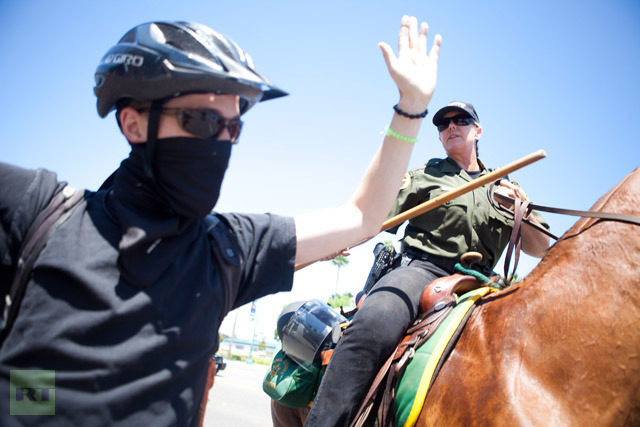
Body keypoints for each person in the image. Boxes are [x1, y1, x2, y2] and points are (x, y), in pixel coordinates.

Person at [0, 16, 441, 426]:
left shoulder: (226, 250)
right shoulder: (38, 212)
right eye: (203, 120)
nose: (222, 141)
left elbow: (362, 215)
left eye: (233, 128)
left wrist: (410, 107)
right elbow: (32, 393)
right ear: (133, 124)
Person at [304, 101, 550, 426]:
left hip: (485, 284)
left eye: (460, 120)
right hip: (422, 271)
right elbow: (374, 217)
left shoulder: (505, 186)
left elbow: (540, 247)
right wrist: (336, 240)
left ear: (478, 130)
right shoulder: (426, 175)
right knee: (373, 325)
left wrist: (522, 207)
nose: (451, 127)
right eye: (443, 124)